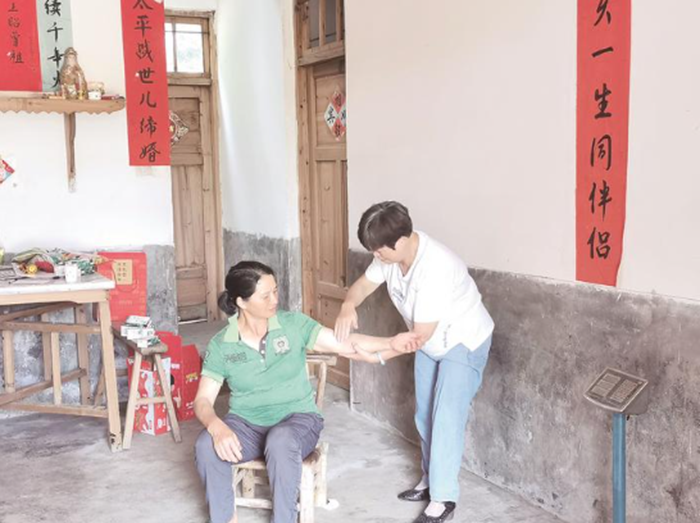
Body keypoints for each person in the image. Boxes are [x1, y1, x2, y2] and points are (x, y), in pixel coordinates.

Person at [194, 260, 419, 523]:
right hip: (247, 424)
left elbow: (345, 344)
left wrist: (391, 343)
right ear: (241, 302)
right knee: (206, 444)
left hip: (297, 420)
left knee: (280, 440)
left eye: (275, 291)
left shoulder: (292, 324)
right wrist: (216, 426)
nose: (275, 300)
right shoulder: (222, 344)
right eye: (265, 296)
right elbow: (203, 400)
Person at [335, 201, 495, 523]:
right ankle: (431, 478)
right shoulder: (389, 257)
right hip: (428, 341)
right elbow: (364, 285)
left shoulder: (435, 267)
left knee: (446, 416)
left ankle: (443, 498)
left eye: (379, 250)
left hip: (462, 341)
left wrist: (377, 355)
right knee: (424, 413)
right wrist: (347, 306)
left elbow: (418, 336)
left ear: (402, 240)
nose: (376, 256)